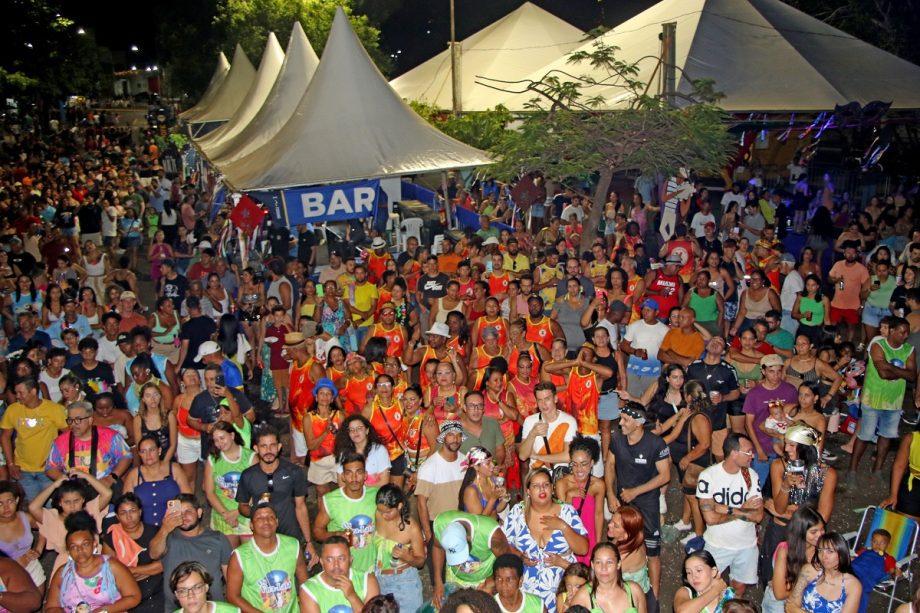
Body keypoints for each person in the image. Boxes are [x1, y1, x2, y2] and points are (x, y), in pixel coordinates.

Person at [605, 402, 670, 599]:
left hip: (647, 503)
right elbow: (609, 465)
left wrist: (636, 491)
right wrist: (610, 492)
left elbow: (665, 475)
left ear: (639, 423)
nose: (620, 424)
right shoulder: (617, 440)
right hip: (624, 502)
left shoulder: (655, 444)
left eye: (626, 420)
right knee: (620, 541)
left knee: (652, 550)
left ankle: (655, 598)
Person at [503, 467, 588, 611]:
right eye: (536, 486)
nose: (542, 489)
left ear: (552, 488)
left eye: (546, 485)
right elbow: (503, 544)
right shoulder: (517, 512)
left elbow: (583, 549)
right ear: (528, 491)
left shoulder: (566, 511)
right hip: (527, 589)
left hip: (562, 590)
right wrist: (519, 556)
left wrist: (563, 526)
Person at [695, 433, 764, 597]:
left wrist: (727, 509)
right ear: (734, 453)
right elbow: (710, 519)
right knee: (705, 589)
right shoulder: (708, 476)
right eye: (748, 451)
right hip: (717, 544)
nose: (752, 456)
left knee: (738, 588)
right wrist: (742, 509)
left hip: (746, 546)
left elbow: (758, 516)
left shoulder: (751, 476)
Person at [849, 317, 916, 479]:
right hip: (873, 398)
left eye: (907, 332)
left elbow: (913, 375)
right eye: (902, 332)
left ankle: (877, 469)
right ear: (892, 331)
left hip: (894, 401)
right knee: (865, 435)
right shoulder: (878, 345)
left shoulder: (909, 349)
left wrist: (889, 366)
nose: (905, 335)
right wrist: (901, 372)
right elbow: (882, 373)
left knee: (887, 435)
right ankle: (852, 470)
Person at [235, 425, 314, 557]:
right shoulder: (248, 475)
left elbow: (301, 506)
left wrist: (309, 541)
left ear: (279, 447)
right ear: (256, 449)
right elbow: (242, 506)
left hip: (290, 533)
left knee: (295, 571)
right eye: (263, 446)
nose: (268, 450)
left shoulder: (294, 472)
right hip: (263, 535)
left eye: (272, 445)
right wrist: (258, 513)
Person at [150, 494, 235, 611]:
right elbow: (154, 554)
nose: (183, 516)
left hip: (213, 607)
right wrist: (165, 528)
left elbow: (230, 577)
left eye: (188, 511)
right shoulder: (167, 537)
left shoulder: (218, 538)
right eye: (179, 512)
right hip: (175, 608)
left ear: (199, 513)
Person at [45, 511, 142, 613]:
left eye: (85, 544)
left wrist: (103, 610)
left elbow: (134, 596)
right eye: (74, 547)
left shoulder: (111, 567)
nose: (80, 550)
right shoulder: (63, 573)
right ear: (68, 551)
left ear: (94, 544)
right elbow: (51, 608)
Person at [225, 502, 308, 613]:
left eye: (271, 517)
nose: (266, 521)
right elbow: (232, 596)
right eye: (259, 518)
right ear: (251, 525)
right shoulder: (239, 557)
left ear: (277, 522)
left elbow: (305, 583)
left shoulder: (293, 545)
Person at [313, 451, 379, 576]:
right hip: (344, 571)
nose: (354, 478)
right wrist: (337, 534)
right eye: (349, 473)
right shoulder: (331, 500)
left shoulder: (376, 495)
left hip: (373, 568)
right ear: (343, 476)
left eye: (358, 472)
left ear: (365, 475)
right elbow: (317, 532)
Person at [0, 377, 66, 500]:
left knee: (50, 507)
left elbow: (68, 434)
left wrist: (58, 459)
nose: (17, 396)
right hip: (22, 470)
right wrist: (10, 464)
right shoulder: (13, 410)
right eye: (16, 392)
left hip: (48, 470)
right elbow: (5, 437)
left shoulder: (54, 409)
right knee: (31, 506)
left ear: (33, 391)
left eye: (21, 392)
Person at [432, 510, 511, 606]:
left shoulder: (490, 533)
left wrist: (490, 583)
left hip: (483, 580)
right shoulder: (441, 524)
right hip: (454, 576)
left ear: (469, 538)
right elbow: (437, 547)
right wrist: (438, 581)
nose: (458, 563)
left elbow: (508, 561)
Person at [45, 399, 132, 485]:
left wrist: (112, 477)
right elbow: (50, 468)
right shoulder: (60, 441)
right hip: (75, 489)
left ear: (90, 420)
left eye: (78, 420)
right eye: (70, 420)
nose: (73, 424)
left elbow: (126, 457)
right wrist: (66, 481)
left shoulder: (110, 435)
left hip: (104, 486)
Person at [102, 493, 165, 612]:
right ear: (117, 516)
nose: (129, 516)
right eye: (123, 513)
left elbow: (162, 565)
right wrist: (149, 570)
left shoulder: (155, 532)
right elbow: (110, 574)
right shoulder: (111, 538)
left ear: (140, 512)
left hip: (159, 592)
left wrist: (132, 570)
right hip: (130, 596)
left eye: (132, 511)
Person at [743, 354, 799, 484]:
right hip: (761, 445)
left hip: (784, 446)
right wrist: (759, 450)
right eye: (771, 371)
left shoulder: (790, 390)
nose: (776, 375)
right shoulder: (754, 394)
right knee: (757, 485)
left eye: (779, 371)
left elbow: (795, 416)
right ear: (763, 371)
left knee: (783, 485)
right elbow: (748, 424)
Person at [372, 485, 427, 613]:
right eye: (380, 511)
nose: (383, 515)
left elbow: (421, 561)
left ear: (400, 506)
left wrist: (407, 557)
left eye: (388, 512)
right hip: (379, 578)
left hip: (404, 583)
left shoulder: (411, 528)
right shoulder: (378, 515)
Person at [555, 435, 605, 564]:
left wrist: (598, 543)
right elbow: (562, 516)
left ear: (592, 463)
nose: (579, 470)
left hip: (589, 534)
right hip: (569, 534)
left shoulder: (598, 485)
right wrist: (570, 495)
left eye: (584, 464)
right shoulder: (562, 484)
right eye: (575, 464)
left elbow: (599, 514)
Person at [204, 422, 255, 548]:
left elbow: (257, 490)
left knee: (249, 556)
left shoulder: (250, 457)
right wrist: (226, 515)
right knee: (229, 558)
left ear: (232, 435)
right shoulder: (213, 459)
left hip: (246, 515)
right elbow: (209, 492)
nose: (219, 443)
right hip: (223, 516)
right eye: (216, 440)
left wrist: (238, 512)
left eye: (222, 438)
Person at [122, 434, 193, 526]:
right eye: (143, 451)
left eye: (152, 450)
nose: (148, 455)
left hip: (175, 526)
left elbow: (189, 498)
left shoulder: (174, 468)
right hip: (145, 529)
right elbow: (125, 505)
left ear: (159, 451)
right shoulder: (134, 474)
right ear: (139, 454)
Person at [299, 535, 380, 613]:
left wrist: (352, 596)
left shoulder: (368, 581)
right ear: (322, 562)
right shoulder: (309, 590)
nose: (336, 565)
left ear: (350, 560)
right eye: (330, 559)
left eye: (341, 559)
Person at [416, 421, 467, 545]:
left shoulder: (465, 460)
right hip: (438, 524)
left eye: (458, 435)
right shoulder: (429, 466)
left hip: (461, 522)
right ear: (443, 437)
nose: (455, 439)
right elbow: (421, 503)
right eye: (451, 435)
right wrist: (428, 534)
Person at [787, 532, 862, 613]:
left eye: (830, 551)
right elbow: (790, 607)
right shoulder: (809, 570)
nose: (823, 556)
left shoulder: (852, 585)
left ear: (841, 553)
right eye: (820, 550)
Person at [567, 541, 647, 613]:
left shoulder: (635, 591)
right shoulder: (582, 597)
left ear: (618, 564)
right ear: (592, 565)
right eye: (598, 562)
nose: (604, 568)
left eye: (609, 562)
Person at [608, 506, 658, 613]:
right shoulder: (634, 539)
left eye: (615, 526)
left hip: (634, 603)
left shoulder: (623, 556)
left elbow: (604, 579)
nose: (609, 525)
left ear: (626, 534)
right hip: (643, 593)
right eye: (611, 520)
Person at [620, 299, 670, 398]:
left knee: (649, 401)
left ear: (656, 312)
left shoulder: (665, 330)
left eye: (649, 310)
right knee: (631, 399)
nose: (645, 312)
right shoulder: (634, 326)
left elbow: (667, 352)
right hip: (634, 371)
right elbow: (623, 345)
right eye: (643, 309)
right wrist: (634, 351)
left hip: (653, 372)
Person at [0, 480, 45, 588]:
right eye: (0, 503)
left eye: (10, 501)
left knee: (36, 602)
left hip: (31, 565)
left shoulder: (26, 518)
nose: (6, 507)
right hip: (5, 574)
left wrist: (38, 550)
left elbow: (45, 528)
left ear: (17, 500)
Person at [169, 560, 241, 613]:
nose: (190, 595)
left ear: (206, 587)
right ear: (176, 594)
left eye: (196, 588)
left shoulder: (231, 611)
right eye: (183, 591)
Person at [458, 446, 508, 518]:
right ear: (476, 467)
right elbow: (480, 521)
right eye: (488, 463)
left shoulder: (492, 480)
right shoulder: (471, 491)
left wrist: (505, 498)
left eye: (492, 461)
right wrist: (493, 498)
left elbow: (496, 509)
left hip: (495, 525)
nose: (493, 465)